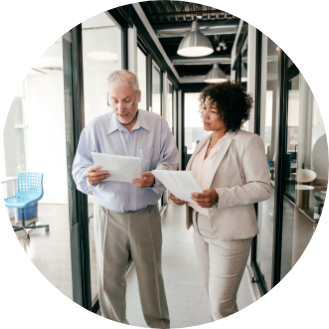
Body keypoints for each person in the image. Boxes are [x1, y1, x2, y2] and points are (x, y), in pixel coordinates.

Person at [72, 69, 178, 328]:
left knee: (151, 279)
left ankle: (159, 325)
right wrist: (89, 177)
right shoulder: (95, 128)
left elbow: (171, 163)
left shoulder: (157, 125)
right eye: (115, 101)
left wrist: (154, 177)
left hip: (146, 215)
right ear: (109, 100)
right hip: (109, 215)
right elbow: (78, 170)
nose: (121, 108)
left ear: (139, 96)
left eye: (128, 100)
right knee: (109, 281)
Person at [170, 81, 271, 321]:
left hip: (230, 233)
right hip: (200, 227)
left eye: (213, 111)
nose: (205, 115)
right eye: (204, 108)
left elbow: (263, 188)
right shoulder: (204, 141)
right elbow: (198, 179)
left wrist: (220, 196)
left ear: (231, 112)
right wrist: (181, 194)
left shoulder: (247, 141)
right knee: (212, 295)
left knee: (221, 305)